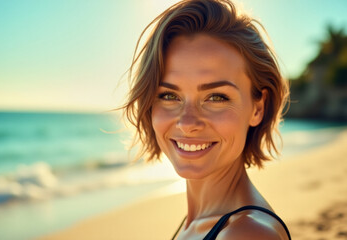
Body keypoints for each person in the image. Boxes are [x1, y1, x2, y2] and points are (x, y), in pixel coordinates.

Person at [122, 0, 291, 239]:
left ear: (257, 108)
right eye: (169, 95)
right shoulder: (199, 223)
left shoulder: (247, 234)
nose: (187, 122)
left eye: (216, 97)